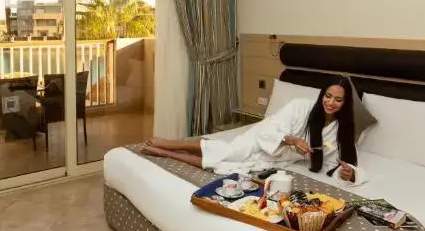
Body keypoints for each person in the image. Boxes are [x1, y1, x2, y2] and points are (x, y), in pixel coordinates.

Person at [143, 78, 365, 184]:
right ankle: (170, 144)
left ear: (345, 103)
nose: (330, 103)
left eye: (338, 100)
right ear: (322, 94)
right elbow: (272, 127)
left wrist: (349, 173)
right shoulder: (301, 106)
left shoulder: (340, 131)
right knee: (229, 152)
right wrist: (290, 139)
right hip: (262, 139)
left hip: (275, 160)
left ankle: (166, 154)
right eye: (328, 96)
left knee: (225, 166)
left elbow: (334, 163)